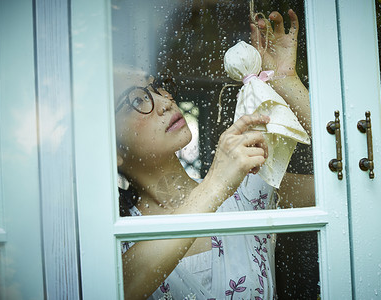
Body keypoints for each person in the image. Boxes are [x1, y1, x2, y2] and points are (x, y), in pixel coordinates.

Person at [115, 8, 312, 300]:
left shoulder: (247, 193)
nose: (165, 101)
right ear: (110, 149)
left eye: (156, 87)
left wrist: (286, 81)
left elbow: (348, 189)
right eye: (137, 99)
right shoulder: (115, 236)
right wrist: (217, 183)